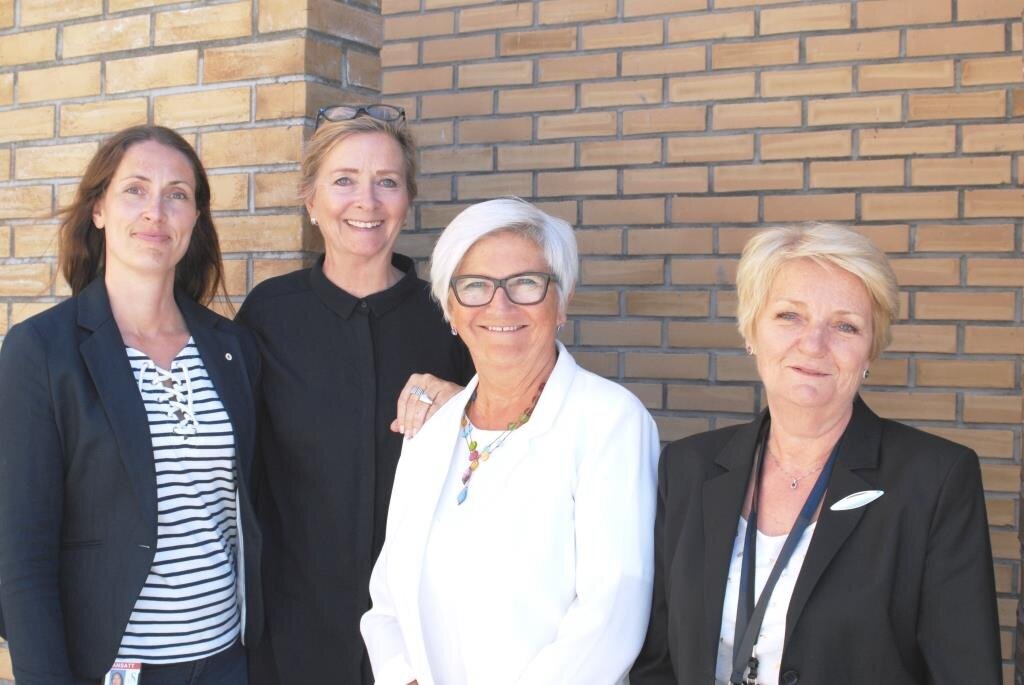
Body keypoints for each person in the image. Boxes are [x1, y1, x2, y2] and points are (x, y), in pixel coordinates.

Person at [630, 223, 1001, 685]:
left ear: (870, 351)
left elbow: (964, 671)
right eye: (790, 316)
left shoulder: (936, 479)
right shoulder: (687, 468)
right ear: (751, 330)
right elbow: (660, 661)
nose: (814, 344)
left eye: (845, 325)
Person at [0, 125, 262, 684]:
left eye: (177, 194)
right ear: (98, 209)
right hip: (117, 668)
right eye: (135, 190)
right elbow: (21, 553)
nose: (156, 212)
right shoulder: (43, 351)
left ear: (195, 218)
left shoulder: (232, 347)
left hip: (226, 662)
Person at [361, 197, 660, 685]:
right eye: (475, 286)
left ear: (561, 301)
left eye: (526, 283)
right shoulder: (432, 429)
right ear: (451, 310)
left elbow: (612, 615)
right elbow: (388, 596)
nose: (500, 306)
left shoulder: (609, 420)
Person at [238, 105, 474, 684]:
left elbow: (515, 442)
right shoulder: (269, 315)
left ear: (407, 200)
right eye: (344, 180)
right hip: (294, 634)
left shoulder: (454, 315)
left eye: (386, 182)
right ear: (310, 200)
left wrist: (465, 405)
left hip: (426, 638)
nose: (366, 202)